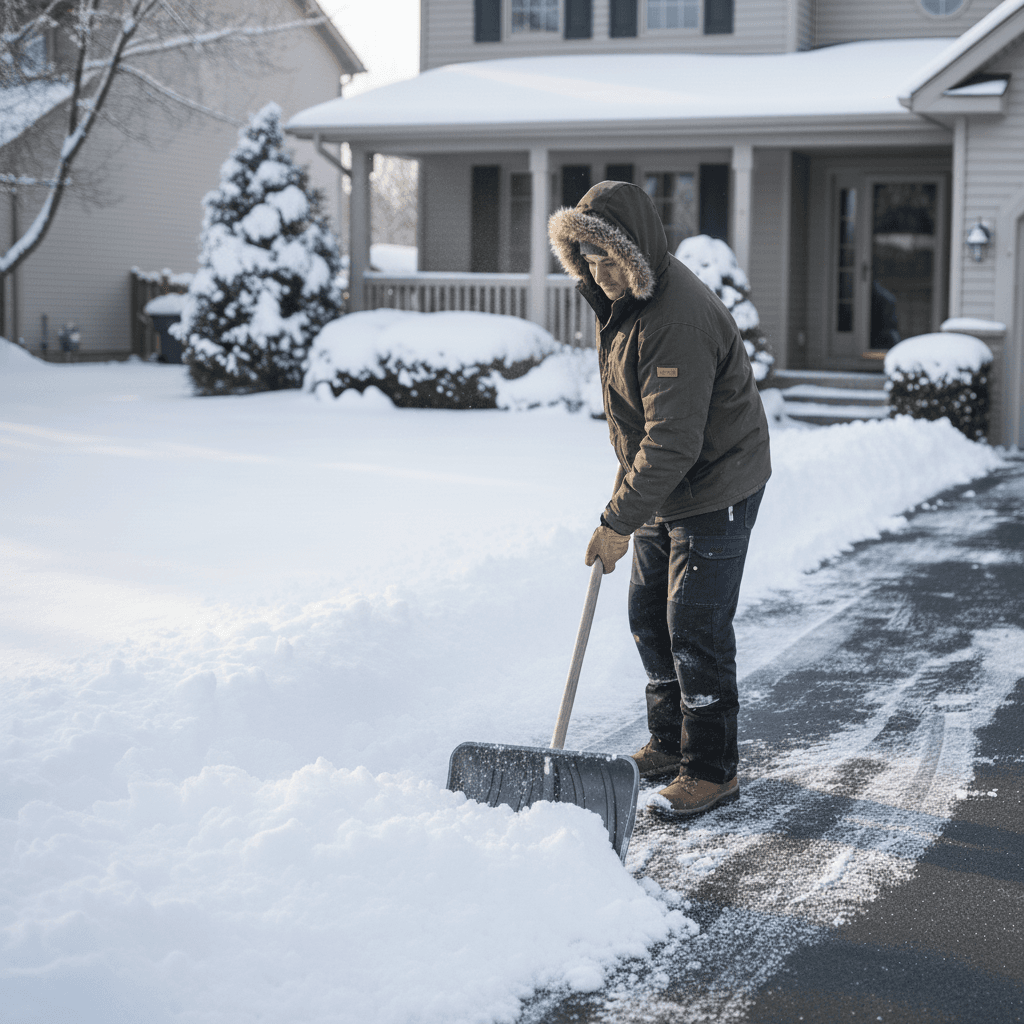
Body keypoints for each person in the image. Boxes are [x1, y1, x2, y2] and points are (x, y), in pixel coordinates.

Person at [548, 181, 771, 818]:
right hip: (668, 482)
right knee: (649, 615)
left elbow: (673, 440)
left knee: (694, 627)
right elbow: (645, 429)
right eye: (590, 258)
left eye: (614, 258)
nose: (603, 272)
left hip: (717, 482)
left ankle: (711, 769)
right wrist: (625, 505)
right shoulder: (622, 306)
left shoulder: (675, 316)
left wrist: (618, 518)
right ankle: (671, 743)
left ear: (641, 249)